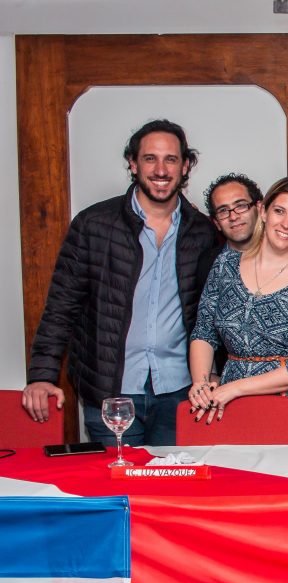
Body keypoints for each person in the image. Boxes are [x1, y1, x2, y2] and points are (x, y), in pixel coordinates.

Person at [23, 119, 217, 445]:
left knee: (171, 488)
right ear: (133, 163)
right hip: (110, 392)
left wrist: (214, 374)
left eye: (170, 159)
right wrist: (41, 376)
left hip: (180, 392)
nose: (160, 169)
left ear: (185, 166)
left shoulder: (202, 231)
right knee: (117, 489)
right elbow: (61, 305)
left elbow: (212, 312)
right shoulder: (93, 224)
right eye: (150, 158)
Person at [188, 176, 288, 443]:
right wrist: (201, 382)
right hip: (228, 405)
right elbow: (204, 332)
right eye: (279, 211)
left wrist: (235, 388)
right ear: (263, 211)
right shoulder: (224, 266)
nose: (286, 224)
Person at [198, 172, 264, 294]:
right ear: (217, 223)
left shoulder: (285, 257)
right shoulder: (206, 265)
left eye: (240, 206)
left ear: (260, 209)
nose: (233, 216)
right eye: (223, 210)